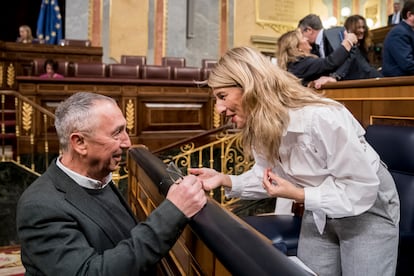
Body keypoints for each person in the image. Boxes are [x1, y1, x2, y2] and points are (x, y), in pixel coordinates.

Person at [189, 46, 400, 276]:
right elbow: (266, 176)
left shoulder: (321, 118)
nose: (218, 108)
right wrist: (225, 180)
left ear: (250, 86)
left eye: (222, 96)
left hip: (366, 207)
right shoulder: (261, 124)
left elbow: (361, 189)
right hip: (319, 206)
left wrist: (300, 195)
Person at [16, 92, 207, 275]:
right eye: (117, 133)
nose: (127, 143)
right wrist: (173, 211)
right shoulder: (41, 206)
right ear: (80, 142)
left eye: (125, 130)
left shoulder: (98, 177)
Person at [276, 28, 357, 88]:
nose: (306, 38)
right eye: (303, 38)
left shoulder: (293, 65)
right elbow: (330, 62)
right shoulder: (299, 63)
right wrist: (348, 42)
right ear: (296, 47)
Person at [382, 0, 414, 77]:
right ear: (409, 15)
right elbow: (407, 64)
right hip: (399, 83)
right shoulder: (399, 33)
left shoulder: (406, 31)